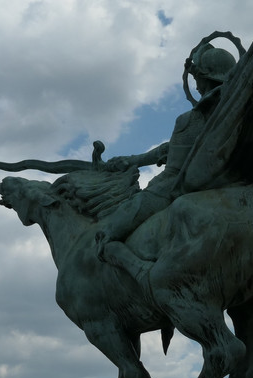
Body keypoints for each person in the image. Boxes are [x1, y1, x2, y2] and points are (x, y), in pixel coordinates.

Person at [93, 44, 237, 248]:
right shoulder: (237, 114)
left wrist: (146, 194)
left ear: (205, 78)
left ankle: (107, 245)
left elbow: (172, 174)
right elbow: (171, 149)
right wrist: (136, 160)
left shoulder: (191, 119)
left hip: (185, 186)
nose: (196, 86)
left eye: (197, 80)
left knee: (108, 231)